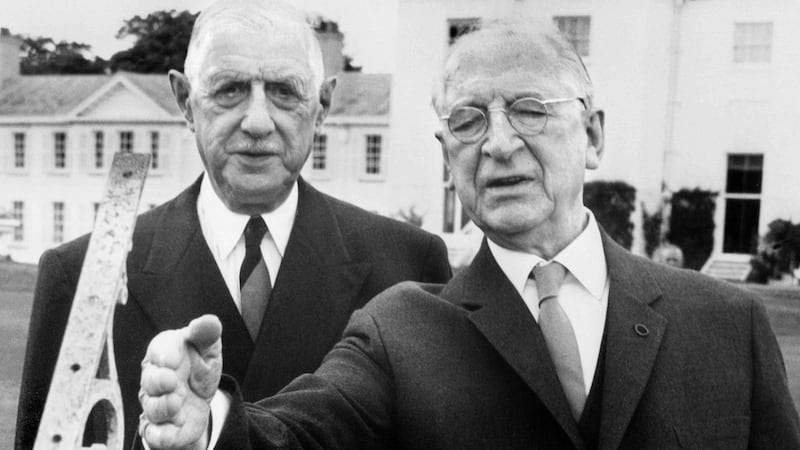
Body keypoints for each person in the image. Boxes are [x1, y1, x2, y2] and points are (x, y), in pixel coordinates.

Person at [138, 15, 800, 450]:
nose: (499, 144)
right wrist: (209, 423)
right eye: (468, 121)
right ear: (446, 155)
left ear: (593, 136)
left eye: (530, 111)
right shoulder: (399, 330)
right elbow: (294, 435)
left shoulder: (727, 323)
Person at [14, 1, 452, 448]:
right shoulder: (77, 276)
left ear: (322, 105)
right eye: (230, 89)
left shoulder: (409, 265)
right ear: (186, 101)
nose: (258, 122)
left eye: (285, 91)